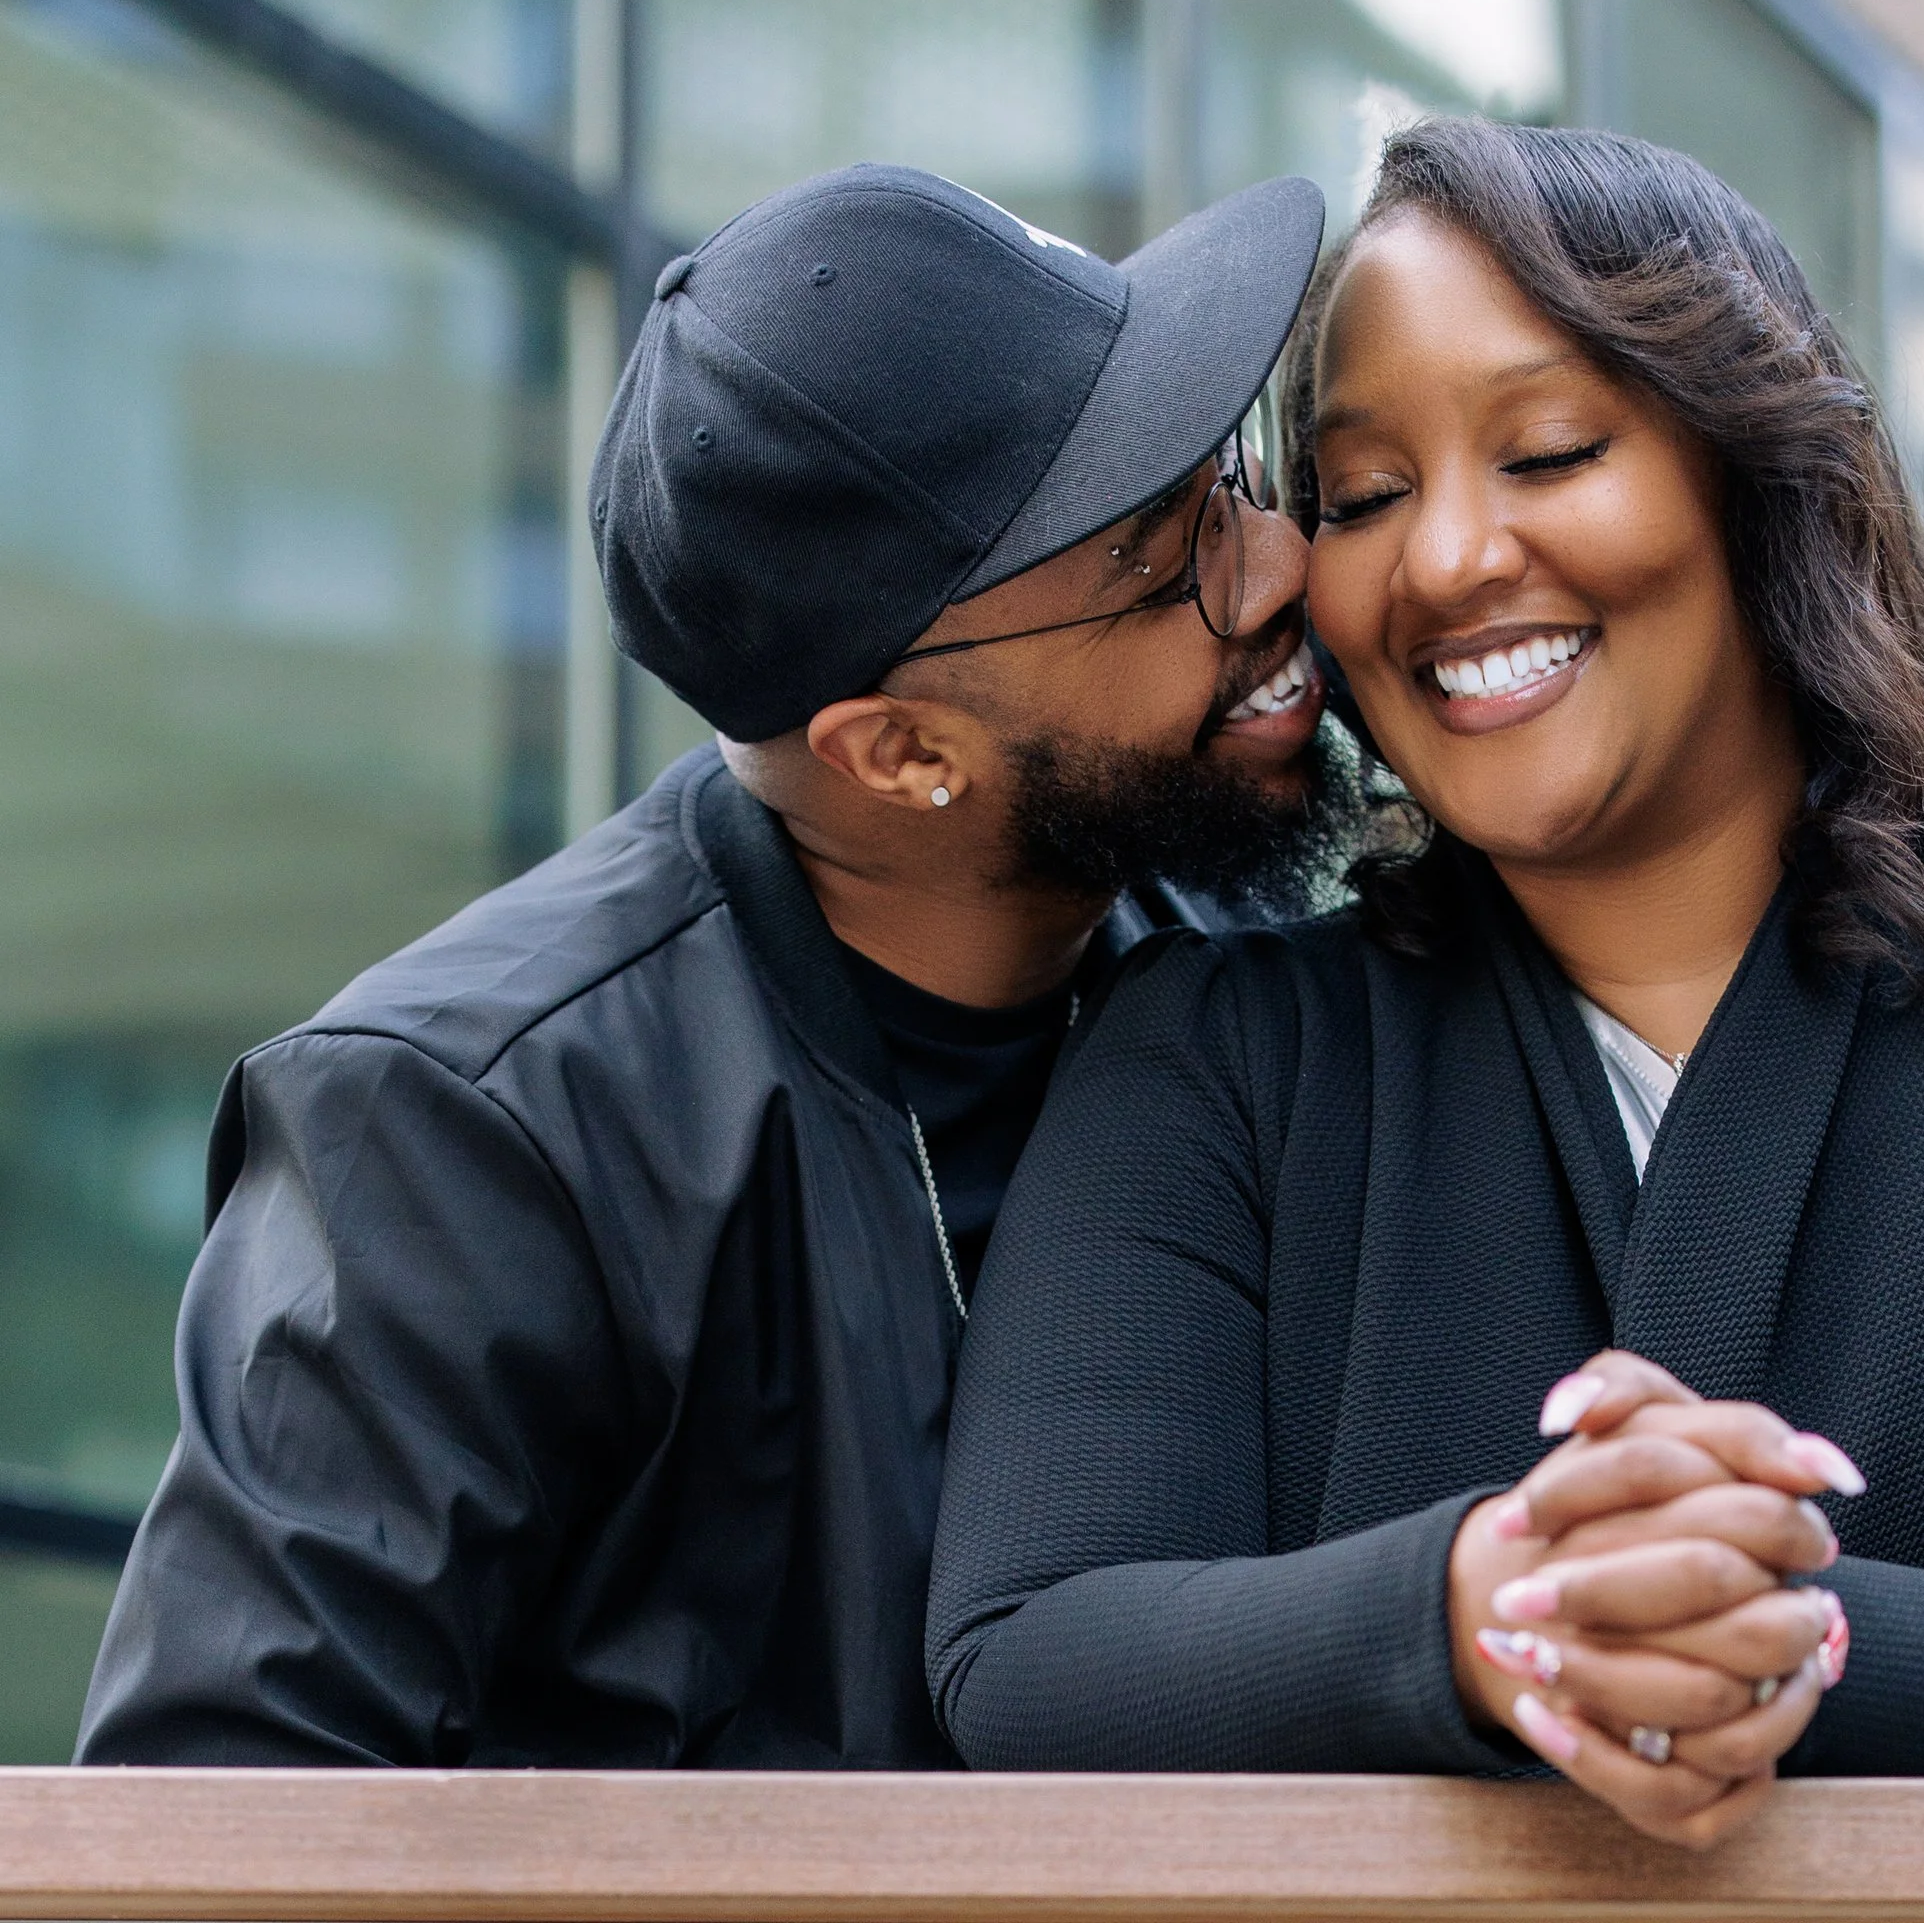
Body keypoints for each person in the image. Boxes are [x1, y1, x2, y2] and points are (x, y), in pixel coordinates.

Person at [925, 119, 1924, 1846]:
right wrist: (1479, 1609)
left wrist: (1769, 1634)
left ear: (1754, 467)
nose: (1450, 558)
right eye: (1366, 494)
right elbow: (1033, 1650)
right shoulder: (1217, 1052)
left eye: (1547, 452)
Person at [78, 163, 1343, 1767]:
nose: (1280, 564)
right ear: (899, 751)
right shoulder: (473, 1132)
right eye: (1167, 564)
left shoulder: (1274, 988)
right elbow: (219, 1815)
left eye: (1228, 479)